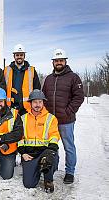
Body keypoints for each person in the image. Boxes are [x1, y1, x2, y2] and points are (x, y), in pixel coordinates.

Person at [42, 49, 84, 184]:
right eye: (56, 61)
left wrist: (68, 111)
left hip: (66, 121)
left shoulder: (73, 77)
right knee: (52, 145)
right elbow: (43, 98)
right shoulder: (48, 79)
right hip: (51, 121)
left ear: (65, 61)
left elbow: (79, 97)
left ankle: (70, 172)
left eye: (61, 60)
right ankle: (52, 168)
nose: (58, 63)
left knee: (69, 146)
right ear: (53, 62)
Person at [18, 89, 60, 193]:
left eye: (40, 102)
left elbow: (54, 135)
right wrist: (23, 153)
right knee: (29, 184)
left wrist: (51, 150)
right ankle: (37, 168)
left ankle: (48, 179)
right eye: (35, 102)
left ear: (43, 103)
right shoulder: (23, 118)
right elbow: (19, 137)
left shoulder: (51, 118)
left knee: (50, 157)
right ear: (30, 103)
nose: (38, 104)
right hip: (30, 154)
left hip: (45, 151)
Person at [3, 44, 41, 115]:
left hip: (27, 108)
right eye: (17, 55)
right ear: (14, 56)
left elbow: (37, 88)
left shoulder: (31, 70)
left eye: (21, 55)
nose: (19, 57)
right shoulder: (6, 70)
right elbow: (2, 87)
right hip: (10, 107)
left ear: (24, 56)